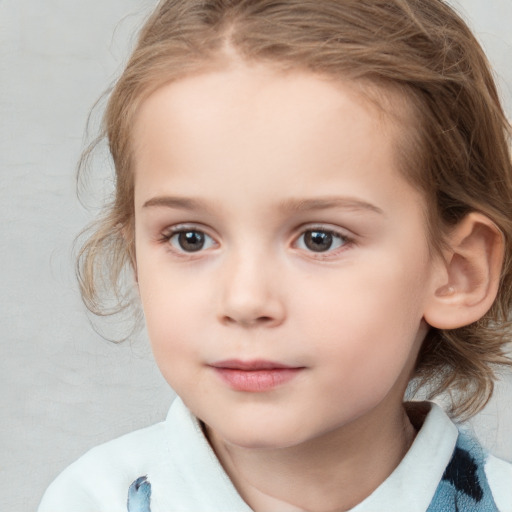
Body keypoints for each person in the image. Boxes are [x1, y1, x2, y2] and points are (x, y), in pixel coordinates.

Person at [38, 0, 512, 510]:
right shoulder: (91, 499)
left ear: (458, 271)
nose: (244, 300)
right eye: (190, 238)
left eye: (319, 239)